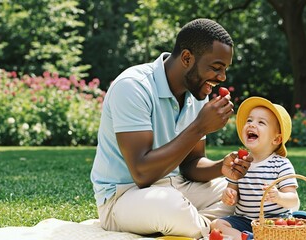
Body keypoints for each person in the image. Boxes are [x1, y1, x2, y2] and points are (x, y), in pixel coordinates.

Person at [90, 18, 253, 239]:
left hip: (177, 187)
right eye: (216, 68)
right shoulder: (133, 87)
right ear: (187, 58)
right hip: (124, 196)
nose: (222, 77)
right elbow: (142, 173)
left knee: (237, 193)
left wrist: (221, 168)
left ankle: (200, 225)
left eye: (224, 69)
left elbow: (190, 165)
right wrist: (199, 126)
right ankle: (218, 229)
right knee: (172, 207)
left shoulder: (196, 94)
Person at [210, 97, 300, 240]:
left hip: (274, 221)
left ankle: (256, 237)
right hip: (245, 220)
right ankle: (249, 238)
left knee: (283, 232)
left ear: (276, 139)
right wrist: (229, 194)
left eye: (261, 122)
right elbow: (233, 189)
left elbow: (293, 200)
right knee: (216, 224)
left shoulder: (281, 164)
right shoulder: (240, 162)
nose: (251, 125)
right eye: (249, 120)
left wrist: (279, 197)